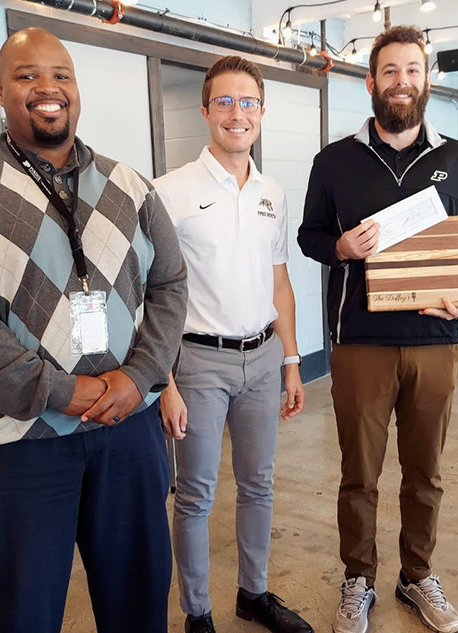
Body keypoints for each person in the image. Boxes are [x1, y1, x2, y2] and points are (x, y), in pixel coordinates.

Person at [0, 27, 188, 633]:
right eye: (28, 76)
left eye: (60, 74)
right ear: (2, 91)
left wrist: (140, 378)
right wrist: (67, 393)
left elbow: (171, 285)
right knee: (16, 614)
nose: (47, 88)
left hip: (127, 430)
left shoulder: (129, 186)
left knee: (139, 603)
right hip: (12, 444)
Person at [298, 26, 458, 633]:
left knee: (425, 472)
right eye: (389, 71)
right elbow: (309, 237)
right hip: (360, 344)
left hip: (435, 343)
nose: (401, 81)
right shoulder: (334, 161)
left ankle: (416, 575)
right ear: (372, 82)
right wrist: (342, 246)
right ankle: (358, 578)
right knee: (360, 474)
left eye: (412, 70)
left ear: (426, 80)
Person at [153, 56, 312, 633]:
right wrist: (163, 383)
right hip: (196, 362)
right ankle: (197, 613)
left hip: (264, 357)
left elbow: (280, 282)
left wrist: (292, 362)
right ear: (205, 111)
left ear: (262, 113)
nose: (236, 113)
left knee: (258, 485)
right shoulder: (169, 193)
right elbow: (153, 295)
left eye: (248, 102)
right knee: (194, 495)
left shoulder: (272, 192)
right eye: (224, 101)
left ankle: (254, 593)